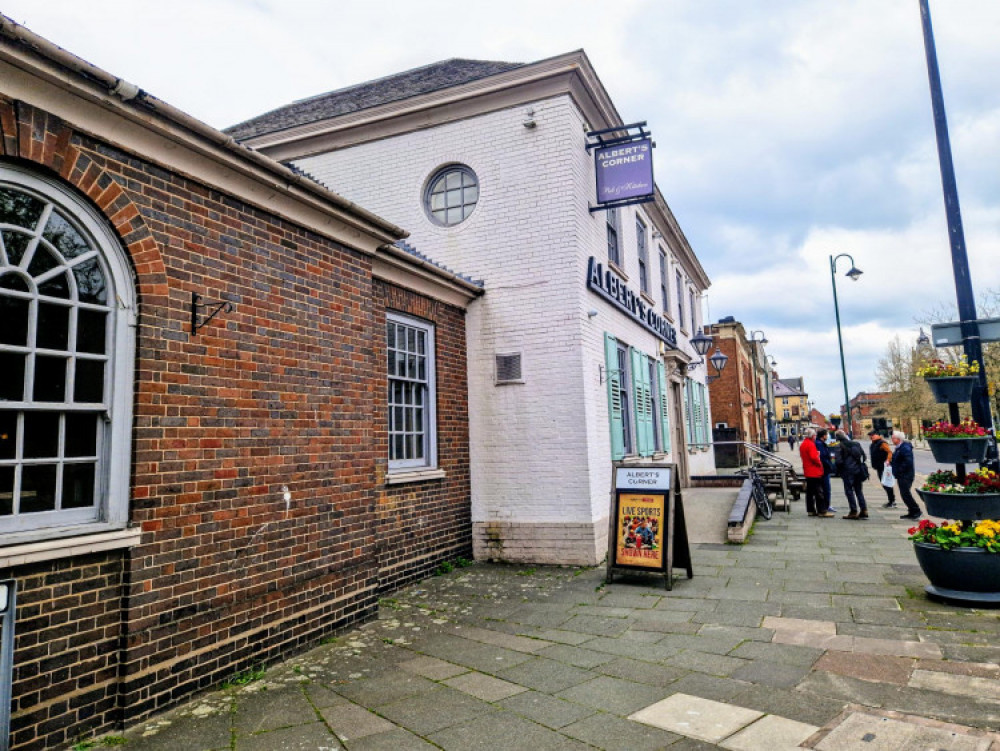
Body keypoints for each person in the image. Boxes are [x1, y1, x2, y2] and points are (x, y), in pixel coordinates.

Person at [835, 430, 869, 519]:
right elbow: (864, 457)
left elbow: (838, 461)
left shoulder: (839, 446)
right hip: (858, 471)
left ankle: (853, 511)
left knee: (849, 491)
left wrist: (839, 471)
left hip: (847, 471)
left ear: (837, 438)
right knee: (859, 491)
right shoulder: (856, 444)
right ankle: (864, 509)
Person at [800, 428, 833, 517]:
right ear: (812, 436)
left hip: (807, 470)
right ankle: (822, 511)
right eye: (814, 435)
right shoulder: (810, 444)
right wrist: (819, 463)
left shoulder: (803, 444)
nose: (815, 437)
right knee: (819, 492)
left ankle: (811, 510)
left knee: (810, 493)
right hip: (814, 471)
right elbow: (814, 457)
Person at [890, 430, 922, 520]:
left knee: (905, 494)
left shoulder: (905, 448)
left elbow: (908, 462)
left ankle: (916, 510)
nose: (892, 440)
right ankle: (912, 511)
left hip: (905, 475)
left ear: (899, 439)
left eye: (893, 438)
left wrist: (900, 470)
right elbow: (897, 459)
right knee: (904, 494)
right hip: (902, 475)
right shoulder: (899, 447)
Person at [868, 429, 896, 508]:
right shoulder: (873, 444)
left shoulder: (882, 443)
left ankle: (892, 501)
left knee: (886, 483)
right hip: (878, 467)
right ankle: (891, 500)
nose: (871, 437)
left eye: (873, 435)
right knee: (884, 483)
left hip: (884, 467)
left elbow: (889, 452)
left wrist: (888, 460)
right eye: (870, 436)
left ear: (878, 435)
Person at [816, 429, 837, 513]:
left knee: (825, 489)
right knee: (826, 489)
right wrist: (830, 464)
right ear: (823, 436)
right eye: (827, 434)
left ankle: (826, 505)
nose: (827, 436)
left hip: (823, 469)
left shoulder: (820, 443)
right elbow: (823, 456)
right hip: (824, 470)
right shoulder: (820, 444)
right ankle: (826, 506)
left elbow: (835, 443)